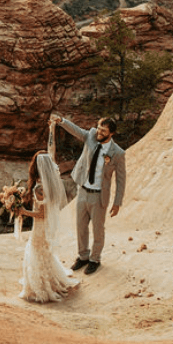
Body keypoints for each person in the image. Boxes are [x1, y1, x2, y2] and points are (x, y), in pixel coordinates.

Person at [50, 114, 126, 275]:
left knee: (98, 230)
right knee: (81, 227)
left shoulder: (118, 153)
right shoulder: (91, 135)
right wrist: (61, 121)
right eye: (98, 128)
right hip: (82, 191)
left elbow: (121, 180)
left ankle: (95, 259)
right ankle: (83, 256)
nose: (99, 132)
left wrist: (117, 203)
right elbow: (76, 130)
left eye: (103, 131)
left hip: (99, 196)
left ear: (111, 133)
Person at [15, 150, 79, 303]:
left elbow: (41, 214)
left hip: (40, 228)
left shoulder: (39, 188)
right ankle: (49, 281)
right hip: (46, 226)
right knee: (43, 253)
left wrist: (23, 211)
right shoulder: (49, 184)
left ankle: (40, 287)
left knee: (37, 252)